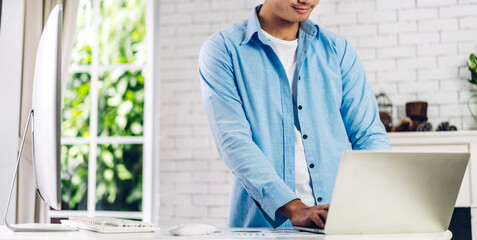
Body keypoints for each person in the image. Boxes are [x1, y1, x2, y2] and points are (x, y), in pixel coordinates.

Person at [198, 0, 391, 229]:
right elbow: (234, 141)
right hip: (263, 230)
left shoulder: (338, 50)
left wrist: (379, 201)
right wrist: (294, 207)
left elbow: (369, 135)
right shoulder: (223, 50)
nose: (307, 0)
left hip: (338, 226)